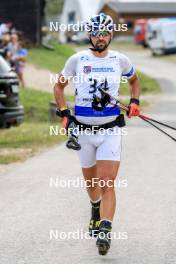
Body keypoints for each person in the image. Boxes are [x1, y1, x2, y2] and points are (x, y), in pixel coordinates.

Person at [54, 13, 140, 255]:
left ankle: (105, 229)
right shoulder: (77, 59)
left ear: (111, 35)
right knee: (92, 184)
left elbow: (135, 81)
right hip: (82, 132)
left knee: (106, 183)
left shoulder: (119, 59)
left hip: (110, 130)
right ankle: (95, 208)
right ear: (89, 35)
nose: (100, 38)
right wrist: (64, 113)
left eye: (105, 33)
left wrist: (134, 101)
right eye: (96, 33)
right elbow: (58, 86)